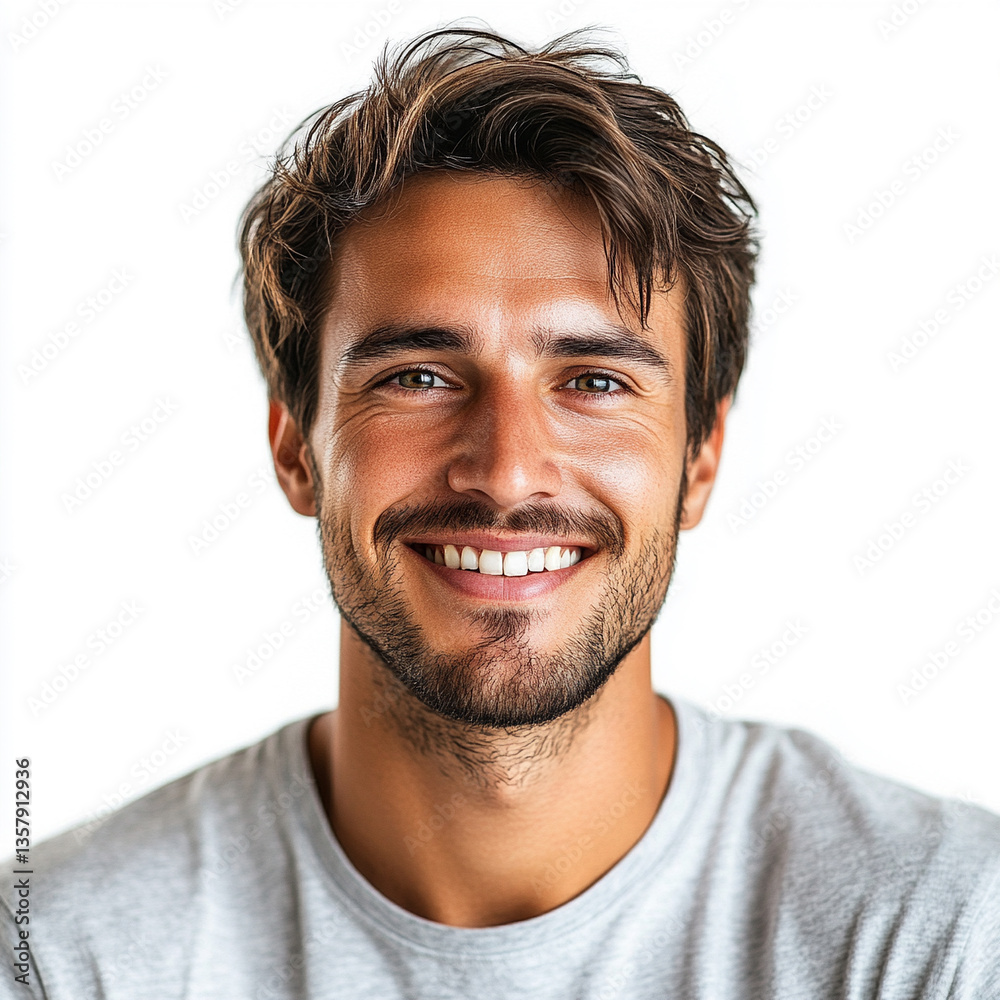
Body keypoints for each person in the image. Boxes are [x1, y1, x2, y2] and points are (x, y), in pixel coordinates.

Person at [3, 26, 999, 999]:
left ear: (701, 458)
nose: (508, 471)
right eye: (421, 374)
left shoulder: (940, 933)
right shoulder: (61, 954)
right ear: (295, 448)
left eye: (595, 381)